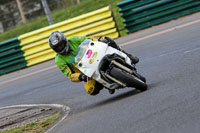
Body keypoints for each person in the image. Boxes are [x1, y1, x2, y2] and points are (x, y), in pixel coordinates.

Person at [48, 31, 139, 95]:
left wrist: (99, 41)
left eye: (61, 45)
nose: (61, 47)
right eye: (58, 47)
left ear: (65, 41)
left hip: (94, 55)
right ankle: (105, 84)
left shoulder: (75, 39)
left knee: (107, 40)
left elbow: (90, 40)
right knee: (91, 90)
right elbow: (70, 75)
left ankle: (128, 55)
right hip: (86, 71)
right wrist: (81, 77)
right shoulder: (59, 60)